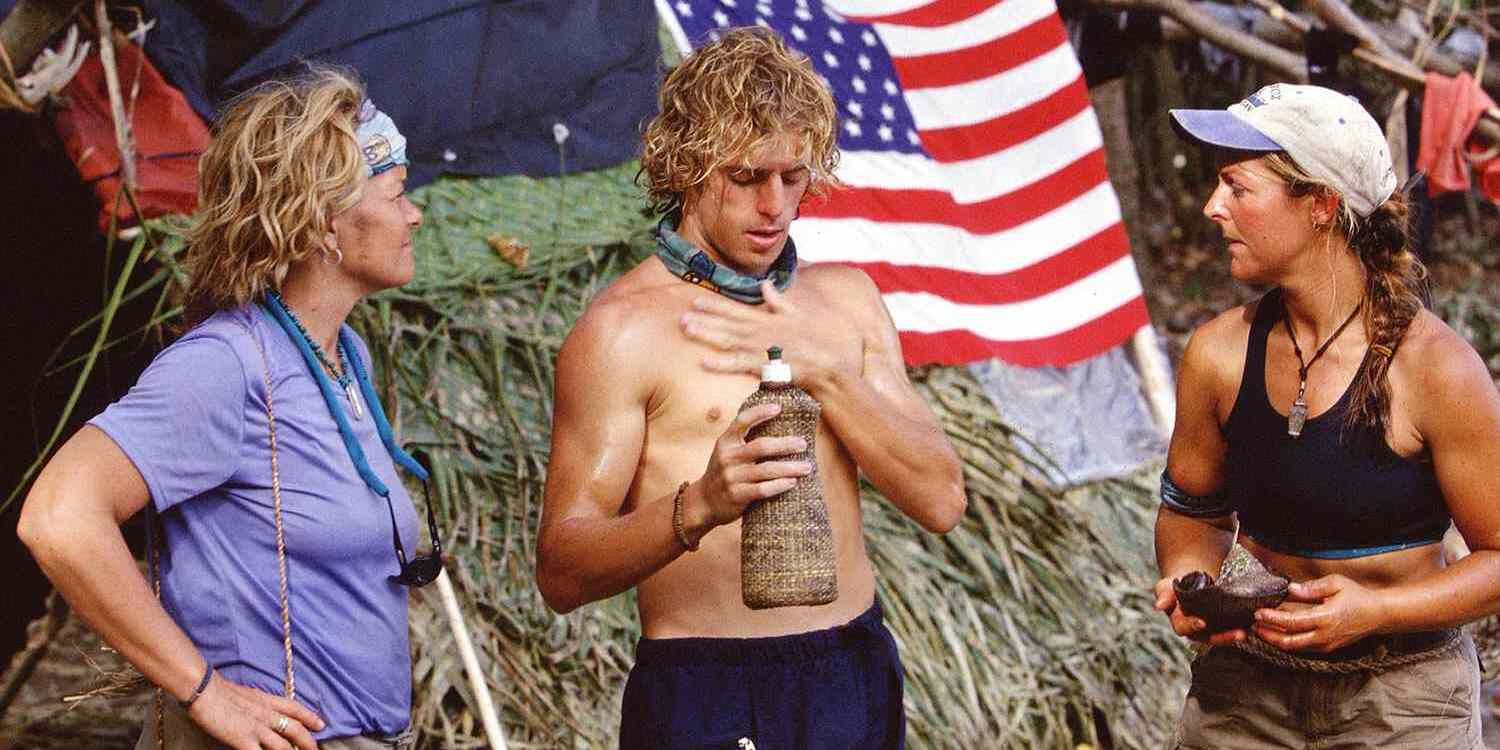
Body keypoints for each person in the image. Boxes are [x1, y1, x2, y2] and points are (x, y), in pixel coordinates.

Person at [536, 27, 966, 749]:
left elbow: (942, 500)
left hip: (851, 666)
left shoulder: (848, 302)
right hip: (709, 682)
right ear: (687, 167)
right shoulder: (621, 331)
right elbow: (560, 572)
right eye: (745, 177)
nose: (774, 204)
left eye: (792, 177)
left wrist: (827, 369)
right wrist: (698, 504)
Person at [18, 65, 436, 750]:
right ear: (325, 224)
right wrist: (205, 693)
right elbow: (60, 519)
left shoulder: (342, 355)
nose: (413, 213)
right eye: (394, 195)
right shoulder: (228, 365)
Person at [1154, 82, 1500, 748]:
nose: (1211, 208)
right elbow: (1191, 512)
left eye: (1237, 187)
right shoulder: (1219, 354)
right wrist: (1187, 581)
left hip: (1402, 699)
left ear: (1320, 204)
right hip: (1247, 691)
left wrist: (1376, 611)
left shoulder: (1435, 369)